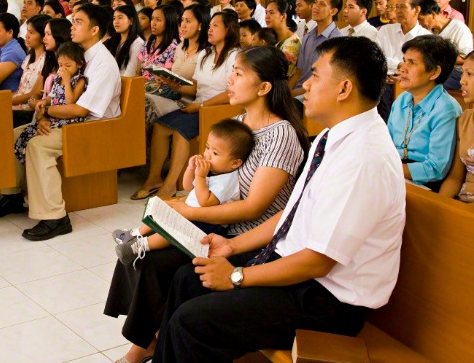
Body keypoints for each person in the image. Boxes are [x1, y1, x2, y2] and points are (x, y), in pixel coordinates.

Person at [151, 36, 405, 363]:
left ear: (343, 90)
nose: (306, 85)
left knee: (193, 322)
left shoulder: (363, 159)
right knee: (188, 278)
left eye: (314, 76)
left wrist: (236, 276)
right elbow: (293, 210)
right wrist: (233, 246)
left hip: (326, 299)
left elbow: (319, 260)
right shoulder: (333, 134)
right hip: (296, 269)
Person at [105, 46, 307, 363]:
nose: (230, 78)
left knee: (166, 264)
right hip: (217, 226)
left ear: (264, 87)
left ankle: (153, 344)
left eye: (239, 73)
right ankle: (147, 342)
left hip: (248, 237)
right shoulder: (238, 122)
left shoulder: (280, 136)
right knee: (147, 252)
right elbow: (211, 179)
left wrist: (191, 211)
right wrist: (190, 188)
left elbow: (254, 209)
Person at [0, 4, 120, 240]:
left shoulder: (103, 62)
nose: (72, 27)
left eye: (79, 22)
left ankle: (55, 217)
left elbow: (82, 109)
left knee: (38, 146)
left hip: (93, 127)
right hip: (70, 120)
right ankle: (13, 196)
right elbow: (56, 95)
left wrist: (48, 112)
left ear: (95, 30)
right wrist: (43, 113)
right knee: (12, 135)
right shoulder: (75, 54)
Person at [114, 119, 254, 266]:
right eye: (207, 148)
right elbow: (188, 186)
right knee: (162, 210)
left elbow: (206, 202)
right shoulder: (212, 170)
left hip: (207, 223)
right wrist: (191, 168)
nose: (207, 155)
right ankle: (134, 234)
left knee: (171, 230)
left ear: (235, 163)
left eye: (215, 153)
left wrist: (200, 176)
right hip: (191, 212)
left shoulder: (228, 180)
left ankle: (141, 246)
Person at [132, 11, 240, 200]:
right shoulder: (206, 53)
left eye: (215, 25)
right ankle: (154, 178)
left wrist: (201, 106)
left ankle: (170, 184)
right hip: (200, 105)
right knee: (160, 125)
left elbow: (231, 92)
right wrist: (177, 86)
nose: (210, 29)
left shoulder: (235, 56)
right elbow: (197, 88)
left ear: (229, 29)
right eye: (210, 25)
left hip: (218, 109)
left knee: (181, 131)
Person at [387, 35, 460, 191]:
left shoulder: (446, 109)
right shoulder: (402, 100)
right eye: (404, 60)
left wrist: (388, 168)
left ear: (434, 72)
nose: (402, 68)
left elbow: (435, 169)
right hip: (393, 169)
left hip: (423, 182)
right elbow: (386, 145)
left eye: (412, 63)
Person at [14, 42, 87, 162]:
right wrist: (44, 101)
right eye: (60, 65)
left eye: (68, 66)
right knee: (26, 134)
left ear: (79, 64)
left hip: (66, 118)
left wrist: (67, 82)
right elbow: (52, 96)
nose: (63, 69)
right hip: (53, 115)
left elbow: (70, 101)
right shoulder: (58, 79)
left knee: (36, 137)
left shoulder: (80, 80)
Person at [293, 0, 345, 112]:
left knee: (288, 106)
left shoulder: (338, 40)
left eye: (322, 4)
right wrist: (286, 91)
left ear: (333, 11)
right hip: (300, 90)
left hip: (318, 92)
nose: (315, 7)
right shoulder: (308, 36)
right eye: (315, 3)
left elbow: (329, 80)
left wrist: (293, 94)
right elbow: (299, 72)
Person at [417, 0, 473, 90]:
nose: (419, 23)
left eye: (421, 19)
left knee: (429, 85)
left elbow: (466, 59)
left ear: (433, 15)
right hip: (435, 69)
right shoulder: (427, 31)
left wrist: (438, 59)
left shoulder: (459, 28)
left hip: (457, 72)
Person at [439, 52, 474, 202]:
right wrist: (440, 205)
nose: (462, 81)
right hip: (463, 200)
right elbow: (454, 178)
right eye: (462, 73)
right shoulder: (465, 119)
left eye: (470, 74)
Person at [11, 14, 49, 127]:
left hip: (29, 109)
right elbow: (20, 89)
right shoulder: (29, 58)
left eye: (32, 33)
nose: (26, 36)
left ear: (43, 36)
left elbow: (34, 94)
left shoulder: (46, 61)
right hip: (18, 103)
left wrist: (7, 101)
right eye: (27, 31)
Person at [137, 5, 179, 86]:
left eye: (158, 20)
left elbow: (166, 79)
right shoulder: (146, 44)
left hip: (158, 91)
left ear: (169, 22)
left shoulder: (173, 47)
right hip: (142, 89)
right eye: (152, 18)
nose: (153, 23)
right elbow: (138, 72)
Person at [265, 0, 301, 88]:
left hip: (280, 88)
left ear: (283, 16)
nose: (267, 16)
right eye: (266, 12)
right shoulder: (268, 37)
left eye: (271, 13)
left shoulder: (293, 42)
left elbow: (282, 72)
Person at [107, 5, 145, 77]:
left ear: (131, 21)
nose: (116, 22)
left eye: (120, 18)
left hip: (123, 82)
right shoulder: (113, 40)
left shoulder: (138, 43)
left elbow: (130, 72)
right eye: (114, 18)